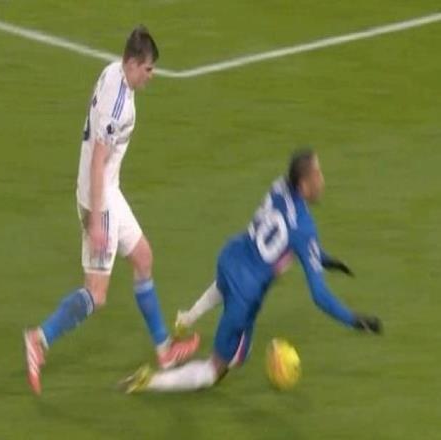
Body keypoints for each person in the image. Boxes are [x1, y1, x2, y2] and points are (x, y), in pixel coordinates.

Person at [24, 25, 199, 395]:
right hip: (99, 198)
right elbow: (98, 160)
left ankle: (165, 350)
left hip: (108, 192)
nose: (152, 76)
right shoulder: (119, 106)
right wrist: (96, 219)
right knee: (96, 294)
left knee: (143, 257)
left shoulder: (111, 72)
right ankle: (39, 339)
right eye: (148, 69)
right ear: (132, 64)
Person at [120, 149, 382, 393]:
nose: (322, 181)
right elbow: (320, 296)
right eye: (317, 176)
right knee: (217, 369)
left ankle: (189, 319)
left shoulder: (280, 186)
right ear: (304, 186)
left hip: (231, 256)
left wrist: (324, 259)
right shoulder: (305, 229)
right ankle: (150, 381)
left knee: (229, 296)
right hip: (245, 293)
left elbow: (286, 236)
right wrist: (354, 320)